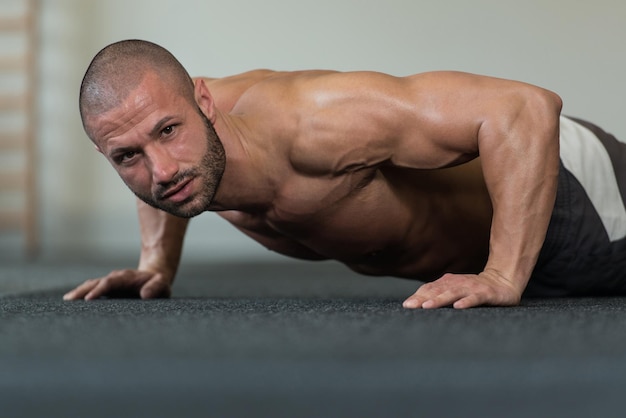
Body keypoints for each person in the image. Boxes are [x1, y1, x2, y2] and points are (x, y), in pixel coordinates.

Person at [63, 39, 626, 308]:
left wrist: (503, 275)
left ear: (203, 102)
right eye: (126, 157)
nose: (160, 171)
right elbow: (147, 143)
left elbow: (525, 109)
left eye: (168, 131)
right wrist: (156, 262)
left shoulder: (313, 123)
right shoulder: (170, 136)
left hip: (569, 202)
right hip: (507, 255)